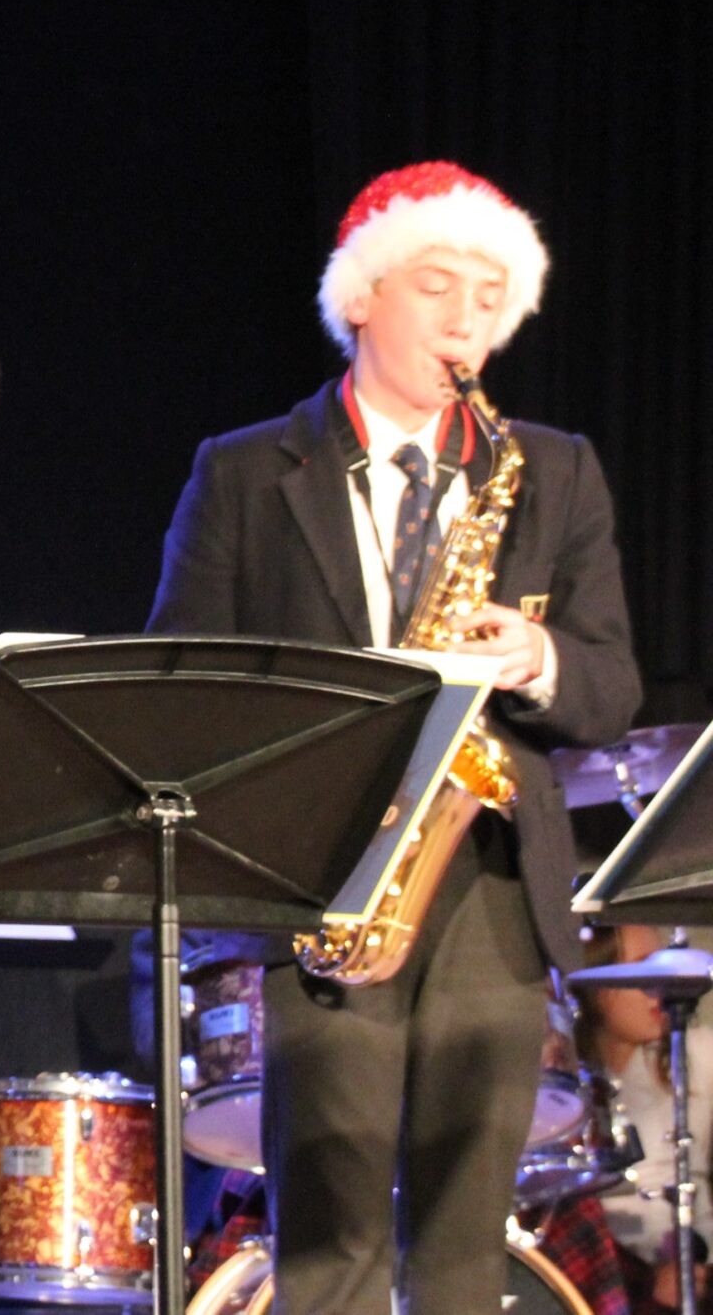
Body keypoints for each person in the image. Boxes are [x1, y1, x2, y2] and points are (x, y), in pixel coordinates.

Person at [146, 159, 644, 1310]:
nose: (468, 317)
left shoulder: (551, 471)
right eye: (437, 284)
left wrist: (537, 657)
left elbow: (609, 684)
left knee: (468, 1245)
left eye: (490, 294)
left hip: (489, 881)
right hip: (319, 876)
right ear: (362, 297)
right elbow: (184, 679)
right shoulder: (242, 471)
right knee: (329, 1245)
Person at [576, 922, 713, 1313]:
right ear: (595, 987)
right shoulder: (560, 1087)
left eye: (663, 968)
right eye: (641, 971)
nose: (660, 988)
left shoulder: (695, 1053)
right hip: (610, 1283)